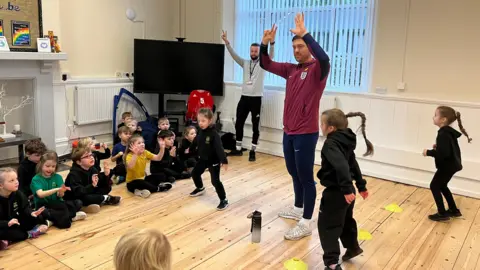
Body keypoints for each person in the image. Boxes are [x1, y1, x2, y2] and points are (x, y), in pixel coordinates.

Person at [259, 13, 330, 240]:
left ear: (308, 46)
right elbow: (265, 63)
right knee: (293, 172)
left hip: (305, 134)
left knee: (306, 177)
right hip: (288, 131)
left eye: (300, 46)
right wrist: (264, 43)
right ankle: (298, 207)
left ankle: (306, 222)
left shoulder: (318, 70)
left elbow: (325, 58)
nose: (297, 50)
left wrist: (305, 34)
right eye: (294, 47)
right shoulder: (291, 70)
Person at [316, 109, 372, 270]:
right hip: (348, 192)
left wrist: (347, 189)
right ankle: (352, 247)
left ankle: (332, 263)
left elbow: (341, 165)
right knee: (345, 221)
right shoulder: (345, 141)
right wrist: (360, 186)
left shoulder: (331, 144)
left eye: (322, 124)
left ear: (331, 128)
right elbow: (353, 164)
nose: (320, 126)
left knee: (328, 226)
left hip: (337, 192)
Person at [222, 29, 275, 162]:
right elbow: (234, 56)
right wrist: (227, 43)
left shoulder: (263, 64)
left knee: (255, 126)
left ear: (259, 52)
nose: (253, 53)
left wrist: (272, 42)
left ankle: (252, 150)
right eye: (252, 51)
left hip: (256, 99)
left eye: (256, 51)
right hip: (244, 98)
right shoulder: (245, 63)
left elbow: (271, 55)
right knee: (239, 123)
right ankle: (238, 149)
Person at [422, 106, 472, 221]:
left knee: (434, 185)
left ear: (443, 119)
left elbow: (444, 154)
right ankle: (454, 210)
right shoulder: (447, 132)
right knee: (442, 186)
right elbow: (447, 150)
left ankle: (442, 213)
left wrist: (429, 152)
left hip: (447, 166)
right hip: (452, 165)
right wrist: (438, 147)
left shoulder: (443, 134)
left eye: (435, 115)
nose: (433, 117)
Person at [30, 151, 86, 229]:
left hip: (57, 204)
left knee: (78, 203)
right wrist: (56, 189)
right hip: (44, 206)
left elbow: (60, 196)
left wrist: (61, 192)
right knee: (42, 213)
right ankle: (70, 217)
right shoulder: (36, 179)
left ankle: (53, 220)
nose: (50, 169)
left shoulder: (58, 177)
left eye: (53, 166)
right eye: (47, 166)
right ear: (41, 165)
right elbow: (41, 194)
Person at [189, 108, 229, 211]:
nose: (200, 123)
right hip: (203, 159)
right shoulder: (201, 132)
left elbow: (219, 148)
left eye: (203, 121)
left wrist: (224, 161)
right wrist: (190, 149)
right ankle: (200, 188)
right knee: (195, 173)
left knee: (215, 182)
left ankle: (224, 200)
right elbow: (196, 141)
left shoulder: (214, 134)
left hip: (213, 161)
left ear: (210, 120)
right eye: (199, 121)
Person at [0, 168, 49, 249]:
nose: (16, 182)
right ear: (1, 185)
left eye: (16, 179)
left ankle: (9, 239)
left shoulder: (17, 193)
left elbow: (25, 207)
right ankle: (30, 234)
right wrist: (7, 223)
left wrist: (31, 213)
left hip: (16, 222)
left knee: (38, 217)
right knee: (5, 232)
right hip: (4, 225)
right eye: (11, 180)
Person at [64, 147, 121, 213]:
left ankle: (101, 199)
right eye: (86, 156)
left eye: (91, 155)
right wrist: (92, 185)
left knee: (107, 188)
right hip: (76, 197)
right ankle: (105, 198)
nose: (91, 157)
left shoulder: (93, 169)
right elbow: (78, 192)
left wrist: (106, 175)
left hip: (89, 191)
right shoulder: (73, 174)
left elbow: (99, 184)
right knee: (85, 198)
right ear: (79, 162)